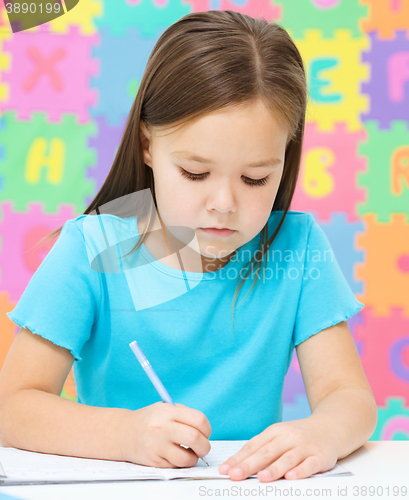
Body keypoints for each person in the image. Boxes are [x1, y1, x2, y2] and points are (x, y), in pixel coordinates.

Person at [0, 10, 377, 483]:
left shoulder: (296, 248)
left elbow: (350, 397)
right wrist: (125, 434)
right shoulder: (89, 249)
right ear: (147, 146)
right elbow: (11, 407)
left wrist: (324, 432)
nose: (224, 204)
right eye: (195, 173)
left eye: (256, 177)